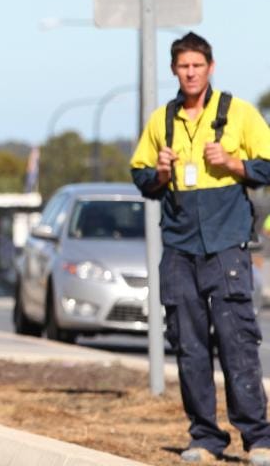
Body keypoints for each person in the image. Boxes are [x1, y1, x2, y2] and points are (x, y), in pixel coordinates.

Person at [130, 32, 270, 465]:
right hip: (179, 247)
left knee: (236, 341)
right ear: (174, 70)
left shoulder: (238, 113)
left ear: (210, 67)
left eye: (197, 65)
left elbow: (266, 166)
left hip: (226, 245)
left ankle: (258, 437)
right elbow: (141, 179)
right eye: (183, 66)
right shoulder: (162, 120)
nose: (190, 73)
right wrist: (158, 172)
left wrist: (234, 165)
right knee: (189, 345)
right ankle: (205, 439)